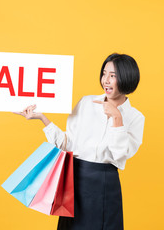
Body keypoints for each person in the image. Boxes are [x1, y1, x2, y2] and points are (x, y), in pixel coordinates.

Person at [14, 53, 145, 230]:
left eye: (112, 76)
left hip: (104, 182)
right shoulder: (86, 102)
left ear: (127, 78)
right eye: (104, 73)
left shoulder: (135, 117)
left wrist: (117, 118)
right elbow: (67, 145)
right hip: (74, 178)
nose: (106, 80)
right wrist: (42, 118)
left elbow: (120, 154)